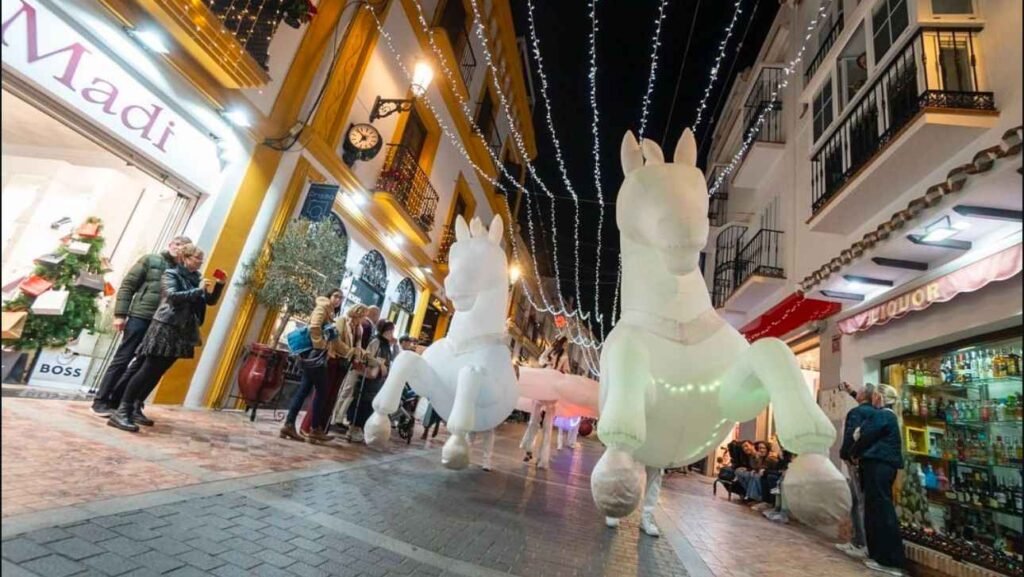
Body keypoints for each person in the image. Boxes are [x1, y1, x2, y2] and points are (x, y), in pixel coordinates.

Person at [107, 244, 221, 432]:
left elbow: (209, 301)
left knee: (158, 371)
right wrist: (199, 290)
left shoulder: (196, 279)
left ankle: (135, 406)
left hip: (182, 330)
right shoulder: (171, 274)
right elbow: (173, 297)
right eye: (196, 259)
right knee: (146, 369)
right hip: (165, 327)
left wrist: (219, 285)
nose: (200, 262)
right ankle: (122, 410)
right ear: (185, 258)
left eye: (201, 259)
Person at [91, 236, 192, 418]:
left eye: (184, 246)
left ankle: (119, 401)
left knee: (142, 363)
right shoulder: (151, 260)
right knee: (123, 358)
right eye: (177, 244)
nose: (179, 248)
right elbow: (128, 286)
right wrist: (120, 314)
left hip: (160, 322)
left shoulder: (182, 270)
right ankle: (100, 401)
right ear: (170, 245)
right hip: (140, 315)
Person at [852, 384, 906, 576]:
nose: (872, 399)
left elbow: (863, 435)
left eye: (874, 395)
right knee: (878, 509)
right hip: (881, 466)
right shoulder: (888, 416)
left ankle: (890, 559)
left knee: (881, 511)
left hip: (879, 465)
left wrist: (854, 450)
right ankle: (880, 556)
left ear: (879, 398)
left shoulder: (882, 415)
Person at [280, 289, 344, 443]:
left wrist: (351, 352)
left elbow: (333, 339)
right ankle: (314, 429)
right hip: (315, 356)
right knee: (322, 391)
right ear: (329, 297)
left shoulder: (330, 313)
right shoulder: (322, 308)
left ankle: (289, 424)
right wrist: (320, 346)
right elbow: (314, 327)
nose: (338, 300)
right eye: (336, 296)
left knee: (304, 390)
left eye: (341, 298)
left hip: (315, 356)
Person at [301, 304, 367, 436]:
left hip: (343, 364)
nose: (364, 319)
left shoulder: (359, 329)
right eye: (363, 315)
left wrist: (359, 354)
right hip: (333, 361)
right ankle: (308, 427)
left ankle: (321, 428)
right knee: (322, 394)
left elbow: (357, 346)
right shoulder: (342, 321)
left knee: (332, 396)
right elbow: (335, 341)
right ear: (357, 313)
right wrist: (351, 351)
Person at [836, 382, 878, 560]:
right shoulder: (876, 412)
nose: (857, 393)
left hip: (855, 460)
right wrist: (851, 391)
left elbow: (850, 435)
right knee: (854, 500)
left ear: (864, 396)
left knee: (860, 502)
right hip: (866, 460)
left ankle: (864, 544)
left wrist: (846, 455)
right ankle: (856, 540)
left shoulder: (856, 413)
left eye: (858, 392)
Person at [346, 319, 394, 443]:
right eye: (390, 330)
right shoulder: (376, 341)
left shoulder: (387, 345)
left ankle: (360, 428)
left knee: (369, 404)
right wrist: (380, 364)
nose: (391, 333)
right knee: (362, 402)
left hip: (377, 380)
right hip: (368, 378)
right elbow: (367, 356)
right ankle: (353, 428)